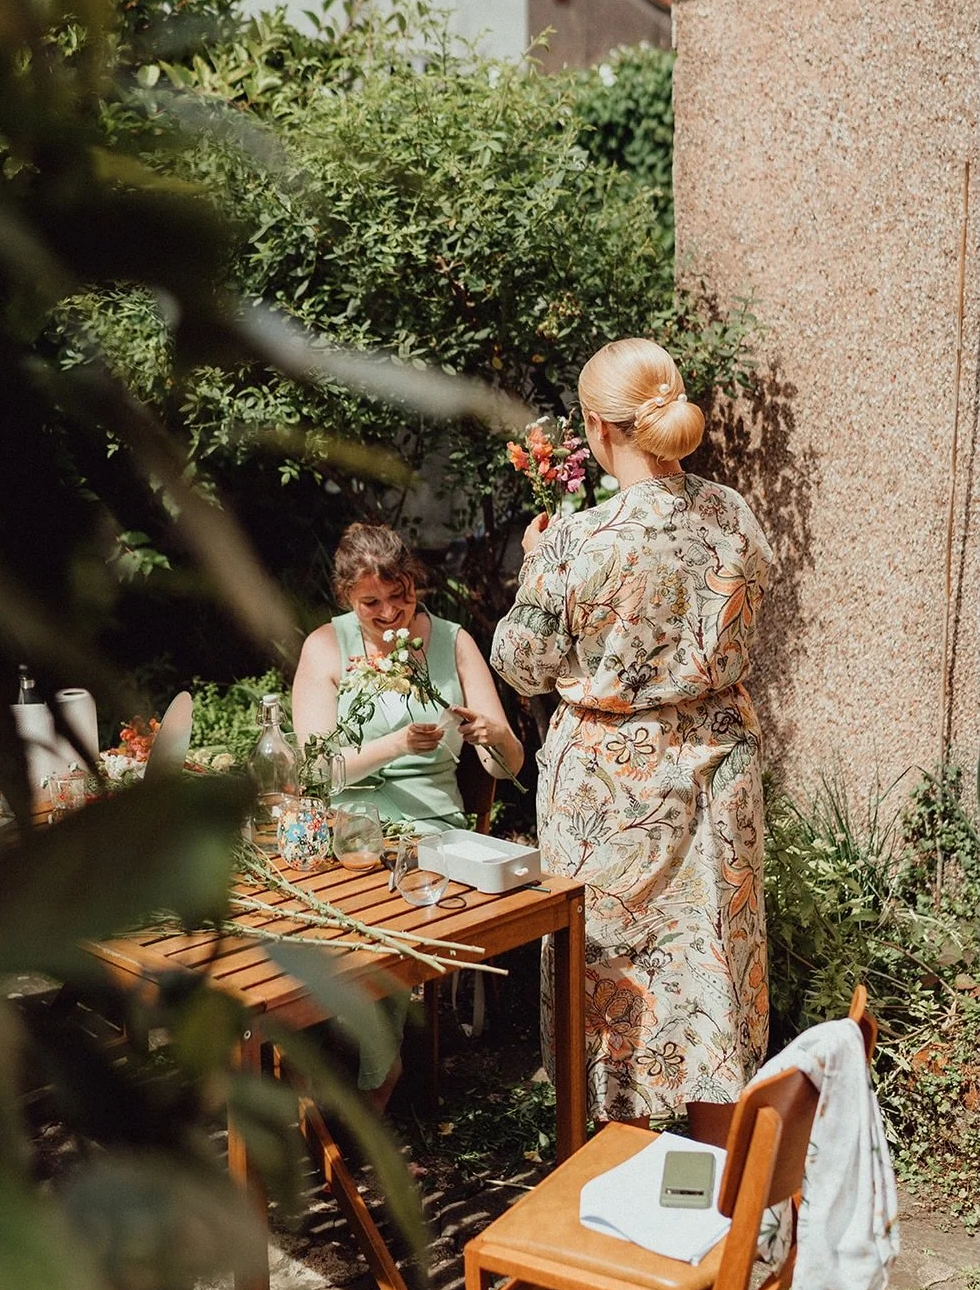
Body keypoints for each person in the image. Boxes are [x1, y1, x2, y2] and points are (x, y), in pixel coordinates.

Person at [491, 338, 773, 1124]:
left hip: (611, 788)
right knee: (714, 956)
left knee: (611, 974)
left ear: (593, 426)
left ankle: (613, 1177)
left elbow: (520, 662)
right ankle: (724, 1189)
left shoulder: (578, 541)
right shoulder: (733, 513)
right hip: (720, 762)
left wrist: (533, 566)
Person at [292, 522, 524, 1107]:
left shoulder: (454, 642)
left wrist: (492, 734)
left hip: (429, 833)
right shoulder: (326, 646)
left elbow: (509, 765)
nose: (390, 612)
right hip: (344, 829)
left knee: (390, 920)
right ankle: (294, 1067)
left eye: (402, 596)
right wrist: (396, 745)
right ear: (347, 595)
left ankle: (378, 1076)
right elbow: (315, 773)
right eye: (373, 602)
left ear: (415, 585)